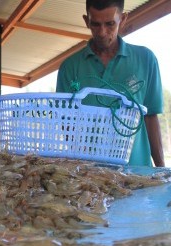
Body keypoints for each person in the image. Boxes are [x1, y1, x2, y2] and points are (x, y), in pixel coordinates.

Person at [56, 0, 164, 167]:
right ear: (86, 21)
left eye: (110, 24)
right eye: (95, 24)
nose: (102, 32)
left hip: (138, 171)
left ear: (123, 19)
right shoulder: (69, 67)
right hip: (92, 179)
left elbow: (151, 117)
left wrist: (162, 169)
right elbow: (67, 123)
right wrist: (86, 168)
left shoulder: (145, 59)